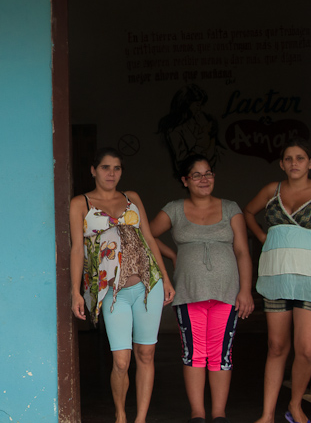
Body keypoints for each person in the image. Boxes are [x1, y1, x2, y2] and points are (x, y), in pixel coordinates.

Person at [70, 148, 175, 423]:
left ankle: (140, 419)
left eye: (117, 168)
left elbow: (150, 239)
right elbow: (77, 250)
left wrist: (165, 276)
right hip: (111, 292)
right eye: (105, 167)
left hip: (147, 285)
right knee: (121, 360)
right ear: (93, 170)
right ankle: (120, 414)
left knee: (146, 352)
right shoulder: (80, 203)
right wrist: (75, 292)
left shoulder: (132, 198)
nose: (111, 173)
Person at [149, 154, 254, 423]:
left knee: (221, 353)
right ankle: (198, 413)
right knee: (194, 352)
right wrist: (172, 255)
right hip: (189, 291)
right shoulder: (174, 208)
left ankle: (218, 414)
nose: (204, 179)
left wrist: (245, 291)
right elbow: (146, 234)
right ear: (185, 180)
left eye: (208, 173)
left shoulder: (231, 208)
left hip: (227, 291)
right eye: (196, 175)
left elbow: (242, 251)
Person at [243, 138, 311, 423]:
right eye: (288, 158)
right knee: (276, 346)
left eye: (300, 158)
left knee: (307, 349)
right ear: (282, 164)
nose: (294, 163)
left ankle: (295, 405)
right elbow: (248, 212)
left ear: (310, 163)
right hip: (276, 277)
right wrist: (262, 237)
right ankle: (267, 414)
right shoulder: (272, 190)